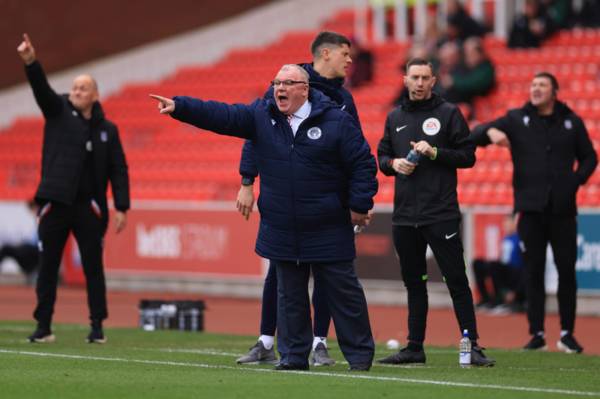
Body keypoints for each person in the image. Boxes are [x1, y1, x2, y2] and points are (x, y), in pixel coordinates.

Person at [151, 63, 377, 371]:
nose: (280, 89)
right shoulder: (262, 115)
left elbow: (363, 164)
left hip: (327, 224)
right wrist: (181, 107)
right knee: (289, 297)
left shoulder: (336, 120)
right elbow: (223, 116)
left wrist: (359, 205)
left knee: (344, 293)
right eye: (276, 82)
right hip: (282, 224)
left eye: (288, 83)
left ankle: (360, 357)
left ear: (304, 89)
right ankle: (294, 357)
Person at [235, 31, 361, 367]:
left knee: (326, 272)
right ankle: (266, 338)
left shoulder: (344, 100)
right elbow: (254, 133)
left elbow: (356, 152)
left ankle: (319, 341)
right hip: (288, 203)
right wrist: (247, 180)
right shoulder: (287, 84)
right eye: (344, 53)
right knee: (279, 272)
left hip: (326, 204)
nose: (349, 60)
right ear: (325, 53)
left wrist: (354, 202)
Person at [376, 58, 494, 367]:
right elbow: (382, 156)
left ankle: (473, 344)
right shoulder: (395, 116)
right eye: (414, 77)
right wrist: (393, 164)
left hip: (440, 213)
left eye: (424, 77)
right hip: (404, 216)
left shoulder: (449, 113)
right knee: (414, 283)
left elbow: (468, 156)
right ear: (405, 80)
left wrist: (436, 152)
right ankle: (415, 347)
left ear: (433, 80)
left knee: (456, 279)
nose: (419, 83)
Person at [471, 72, 597, 353]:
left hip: (563, 211)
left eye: (542, 85)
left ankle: (567, 333)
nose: (536, 89)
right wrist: (490, 132)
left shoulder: (571, 121)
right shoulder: (516, 119)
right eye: (533, 85)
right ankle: (537, 333)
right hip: (529, 210)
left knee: (567, 272)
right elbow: (476, 133)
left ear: (554, 91)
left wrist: (575, 182)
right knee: (533, 272)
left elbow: (590, 156)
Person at [17, 34, 130, 344]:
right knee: (48, 267)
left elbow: (118, 168)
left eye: (83, 88)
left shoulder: (108, 130)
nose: (77, 91)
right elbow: (41, 89)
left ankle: (97, 326)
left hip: (89, 207)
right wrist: (30, 61)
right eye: (75, 87)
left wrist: (121, 206)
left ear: (95, 94)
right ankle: (44, 326)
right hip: (55, 201)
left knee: (93, 268)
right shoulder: (57, 112)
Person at [473, 214, 525, 313]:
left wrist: (516, 291)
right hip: (502, 269)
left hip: (515, 272)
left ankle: (499, 299)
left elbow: (524, 265)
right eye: (504, 223)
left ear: (514, 223)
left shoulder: (519, 239)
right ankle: (486, 299)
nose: (505, 225)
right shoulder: (505, 238)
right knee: (477, 263)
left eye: (508, 223)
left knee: (494, 266)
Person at [0, 199, 40, 285]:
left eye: (33, 208)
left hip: (36, 250)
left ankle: (33, 271)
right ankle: (31, 271)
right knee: (6, 249)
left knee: (9, 248)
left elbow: (39, 241)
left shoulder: (44, 220)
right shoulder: (35, 220)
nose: (32, 211)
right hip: (30, 250)